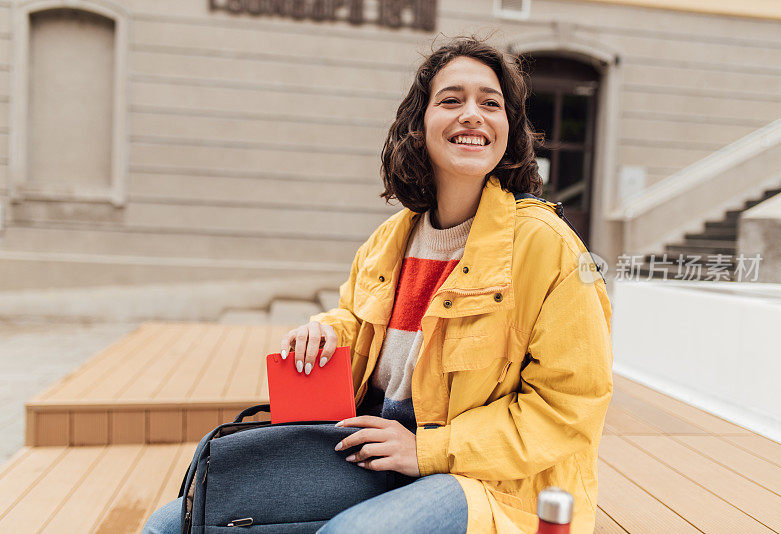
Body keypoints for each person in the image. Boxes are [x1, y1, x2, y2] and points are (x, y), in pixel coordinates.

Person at [143, 35, 612, 534]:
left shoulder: (548, 246)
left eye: (490, 103)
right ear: (420, 125)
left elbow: (570, 408)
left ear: (508, 129)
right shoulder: (390, 240)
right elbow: (354, 319)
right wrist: (325, 332)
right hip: (372, 453)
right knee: (173, 525)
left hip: (487, 482)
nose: (473, 114)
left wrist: (425, 448)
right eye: (451, 100)